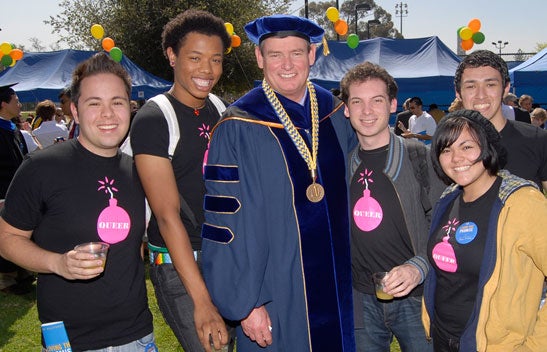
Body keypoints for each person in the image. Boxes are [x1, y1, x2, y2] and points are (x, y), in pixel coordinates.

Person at [201, 14, 356, 351]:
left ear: (312, 55)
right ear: (259, 58)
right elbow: (224, 221)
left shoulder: (336, 114)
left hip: (340, 284)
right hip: (274, 291)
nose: (287, 64)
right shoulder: (238, 126)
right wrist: (247, 303)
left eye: (297, 53)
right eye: (275, 54)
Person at [0, 53, 156, 351]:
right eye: (94, 103)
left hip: (138, 335)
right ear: (75, 109)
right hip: (72, 340)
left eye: (117, 102)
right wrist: (57, 263)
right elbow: (7, 238)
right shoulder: (41, 167)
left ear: (129, 107)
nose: (108, 114)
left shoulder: (140, 171)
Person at [129, 9, 232, 352]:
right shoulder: (154, 118)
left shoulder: (221, 109)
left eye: (215, 60)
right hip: (180, 263)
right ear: (172, 56)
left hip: (226, 256)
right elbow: (166, 214)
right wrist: (201, 303)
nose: (207, 70)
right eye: (195, 58)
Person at [423, 109, 547, 351]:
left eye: (467, 147)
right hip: (442, 338)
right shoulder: (448, 199)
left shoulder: (522, 203)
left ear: (488, 147)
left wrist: (536, 345)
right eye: (446, 149)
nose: (456, 157)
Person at [340, 61, 443, 352]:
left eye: (377, 100)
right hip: (361, 299)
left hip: (416, 297)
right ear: (346, 108)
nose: (367, 111)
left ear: (393, 105)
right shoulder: (341, 166)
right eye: (357, 102)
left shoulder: (419, 158)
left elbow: (447, 226)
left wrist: (419, 267)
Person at [453, 49, 547, 191]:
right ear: (458, 93)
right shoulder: (448, 148)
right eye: (471, 86)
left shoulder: (536, 140)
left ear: (505, 88)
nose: (481, 95)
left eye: (490, 85)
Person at [0, 82, 35, 295]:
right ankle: (6, 278)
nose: (20, 105)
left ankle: (23, 272)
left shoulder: (14, 129)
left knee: (22, 229)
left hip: (17, 191)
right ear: (3, 104)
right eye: (16, 100)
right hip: (2, 192)